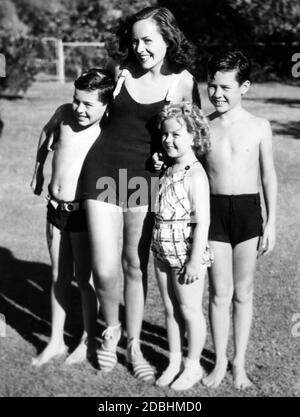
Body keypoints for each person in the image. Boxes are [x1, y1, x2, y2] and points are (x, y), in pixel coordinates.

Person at [81, 6, 201, 381]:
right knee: (104, 268)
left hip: (145, 179)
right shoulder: (119, 73)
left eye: (149, 39)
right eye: (135, 40)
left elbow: (190, 136)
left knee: (134, 265)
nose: (140, 48)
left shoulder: (182, 81)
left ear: (168, 38)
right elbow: (85, 105)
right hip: (103, 172)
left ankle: (132, 343)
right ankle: (110, 330)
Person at [202, 51, 277, 389]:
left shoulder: (259, 126)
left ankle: (239, 363)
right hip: (213, 213)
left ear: (244, 87)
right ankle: (218, 362)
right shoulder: (203, 125)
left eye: (226, 87)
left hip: (248, 214)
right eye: (212, 85)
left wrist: (271, 222)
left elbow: (268, 177)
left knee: (243, 292)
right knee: (219, 292)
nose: (217, 93)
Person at [30, 69, 115, 366]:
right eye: (77, 100)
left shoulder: (107, 128)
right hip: (55, 210)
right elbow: (45, 133)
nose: (79, 108)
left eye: (88, 104)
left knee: (85, 279)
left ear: (106, 105)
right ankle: (55, 341)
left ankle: (88, 340)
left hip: (83, 215)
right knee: (58, 276)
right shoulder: (64, 113)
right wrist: (38, 169)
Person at [151, 102, 213, 391]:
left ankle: (193, 364)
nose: (168, 140)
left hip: (187, 254)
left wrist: (193, 260)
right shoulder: (168, 168)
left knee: (189, 309)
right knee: (169, 308)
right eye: (165, 134)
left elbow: (202, 222)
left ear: (193, 135)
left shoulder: (195, 175)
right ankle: (173, 361)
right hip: (161, 250)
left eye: (176, 134)